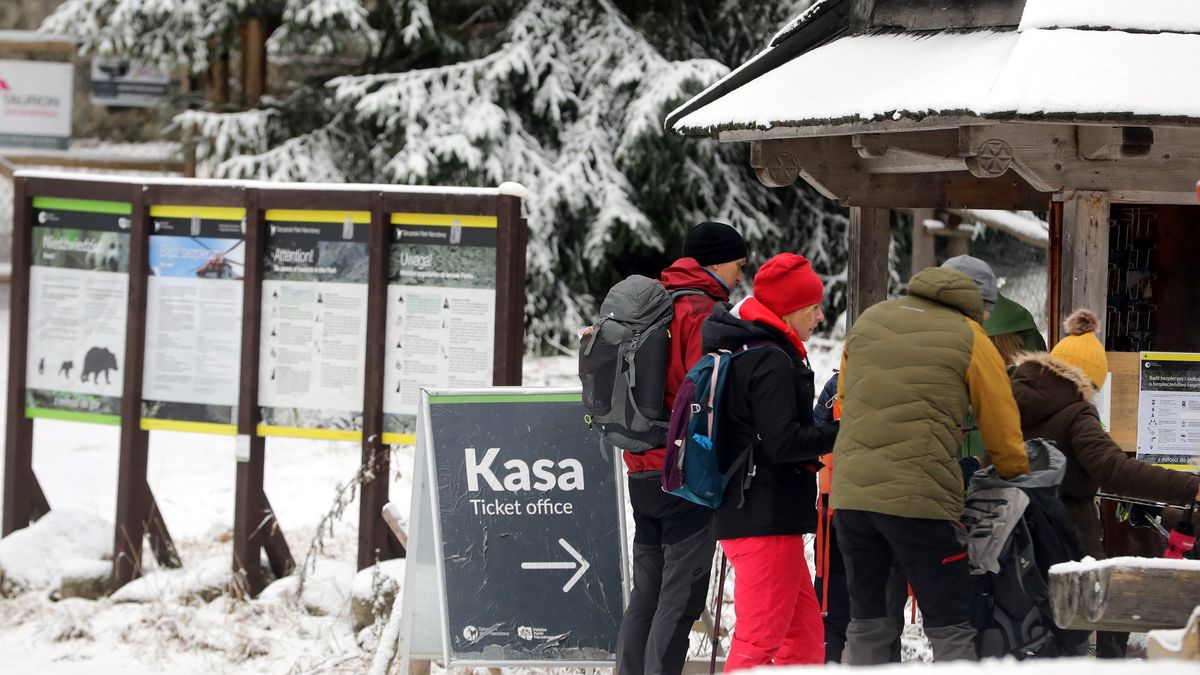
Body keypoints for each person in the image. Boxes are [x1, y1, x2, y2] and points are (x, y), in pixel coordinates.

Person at [832, 265, 1030, 664]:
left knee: (867, 619)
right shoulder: (969, 335)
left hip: (852, 499)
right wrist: (1014, 472)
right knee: (949, 621)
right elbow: (1000, 419)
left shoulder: (871, 319)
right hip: (919, 501)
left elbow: (846, 396)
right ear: (978, 304)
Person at [1009, 308, 1200, 658]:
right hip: (1064, 543)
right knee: (1069, 643)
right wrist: (1191, 487)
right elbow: (1113, 469)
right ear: (1088, 380)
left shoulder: (1009, 398)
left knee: (1024, 639)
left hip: (1013, 543)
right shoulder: (1075, 412)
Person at [616, 221, 746, 675]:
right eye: (736, 263)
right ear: (714, 261)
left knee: (647, 596)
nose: (739, 274)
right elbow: (705, 399)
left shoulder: (652, 305)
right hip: (681, 475)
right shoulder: (701, 312)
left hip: (639, 466)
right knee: (681, 597)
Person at [699, 252, 839, 670]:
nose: (819, 317)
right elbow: (784, 443)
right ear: (792, 308)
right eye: (813, 307)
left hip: (764, 515)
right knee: (759, 641)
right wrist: (844, 429)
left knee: (804, 640)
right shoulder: (770, 360)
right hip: (763, 517)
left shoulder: (755, 348)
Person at [813, 373, 906, 664]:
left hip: (838, 509)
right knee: (885, 614)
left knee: (835, 613)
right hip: (888, 510)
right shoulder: (908, 380)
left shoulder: (837, 385)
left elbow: (813, 441)